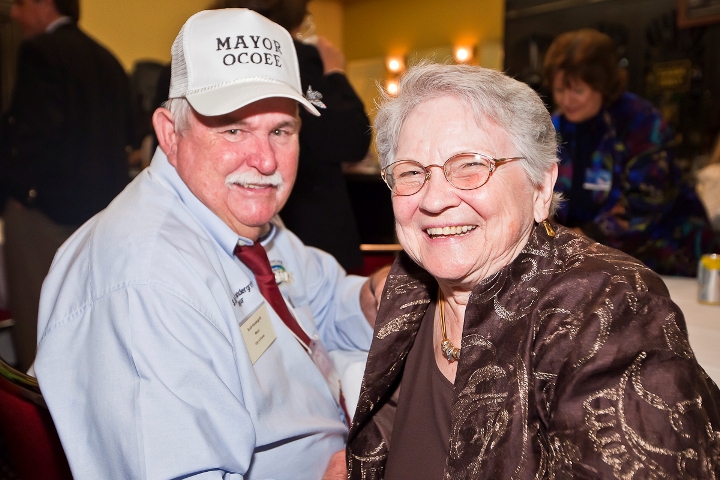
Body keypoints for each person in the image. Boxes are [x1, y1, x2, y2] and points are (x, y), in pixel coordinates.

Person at [34, 9, 385, 479]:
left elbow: (322, 301)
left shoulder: (235, 213)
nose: (265, 161)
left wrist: (374, 297)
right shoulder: (148, 284)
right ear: (169, 133)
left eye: (281, 130)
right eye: (234, 129)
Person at [346, 63, 720, 479]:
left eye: (470, 165)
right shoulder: (410, 281)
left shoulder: (609, 309)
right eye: (412, 172)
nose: (433, 200)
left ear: (541, 187)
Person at [0, 0, 133, 371]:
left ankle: (38, 406)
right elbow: (128, 133)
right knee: (91, 330)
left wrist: (20, 192)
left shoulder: (40, 52)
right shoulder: (107, 58)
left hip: (44, 215)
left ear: (44, 4)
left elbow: (32, 134)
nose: (15, 15)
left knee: (40, 330)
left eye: (20, 4)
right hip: (101, 218)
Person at [207, 0, 371, 271]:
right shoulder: (293, 58)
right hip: (309, 238)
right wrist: (335, 74)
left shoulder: (202, 56)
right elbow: (350, 138)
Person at [542, 28, 717, 277]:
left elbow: (642, 206)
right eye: (560, 90)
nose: (567, 100)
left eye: (578, 91)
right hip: (592, 263)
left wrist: (575, 239)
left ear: (603, 85)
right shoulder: (556, 126)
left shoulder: (641, 123)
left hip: (669, 261)